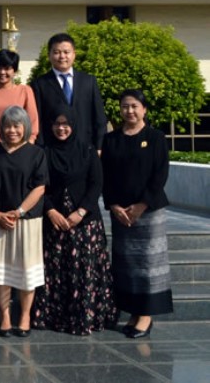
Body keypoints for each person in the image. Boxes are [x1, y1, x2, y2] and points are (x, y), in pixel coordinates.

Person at [33, 106, 118, 335]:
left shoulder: (88, 150)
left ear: (73, 125)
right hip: (56, 222)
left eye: (66, 124)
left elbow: (96, 183)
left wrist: (80, 212)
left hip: (85, 222)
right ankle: (55, 318)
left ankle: (86, 318)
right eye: (57, 124)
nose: (61, 128)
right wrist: (51, 211)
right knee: (57, 272)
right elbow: (40, 186)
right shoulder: (44, 152)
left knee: (84, 271)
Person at [101, 89, 173, 338]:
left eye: (134, 106)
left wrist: (142, 205)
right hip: (121, 213)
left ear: (144, 109)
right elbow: (105, 176)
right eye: (124, 106)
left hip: (148, 212)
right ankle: (132, 312)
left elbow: (160, 174)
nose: (129, 111)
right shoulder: (111, 140)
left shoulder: (156, 137)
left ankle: (145, 315)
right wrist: (113, 205)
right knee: (126, 264)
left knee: (148, 264)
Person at [0, 106, 48, 338]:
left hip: (27, 220)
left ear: (25, 128)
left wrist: (18, 212)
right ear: (1, 128)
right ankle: (6, 316)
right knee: (1, 272)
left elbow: (40, 187)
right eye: (8, 126)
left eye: (17, 125)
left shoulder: (36, 153)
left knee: (26, 271)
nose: (12, 130)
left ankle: (25, 316)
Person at [31, 33, 108, 149]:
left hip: (85, 148)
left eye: (66, 52)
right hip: (53, 150)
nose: (62, 56)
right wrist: (41, 149)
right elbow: (38, 121)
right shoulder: (39, 84)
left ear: (74, 54)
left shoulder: (89, 81)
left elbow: (99, 118)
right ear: (49, 55)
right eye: (56, 52)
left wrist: (99, 146)